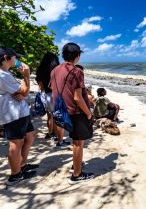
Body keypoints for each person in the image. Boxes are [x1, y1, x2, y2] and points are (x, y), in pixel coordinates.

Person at [0, 46, 38, 185]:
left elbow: (22, 92)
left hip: (20, 112)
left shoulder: (4, 74)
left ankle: (21, 164)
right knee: (15, 143)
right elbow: (24, 91)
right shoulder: (0, 75)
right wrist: (26, 75)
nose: (17, 60)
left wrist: (21, 92)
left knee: (30, 135)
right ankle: (15, 175)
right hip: (13, 114)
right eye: (15, 57)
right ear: (6, 58)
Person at [50, 42, 94, 184]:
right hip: (76, 112)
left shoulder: (55, 70)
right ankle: (77, 174)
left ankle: (76, 165)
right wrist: (88, 113)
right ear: (77, 55)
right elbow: (77, 97)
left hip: (61, 111)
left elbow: (54, 90)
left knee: (75, 141)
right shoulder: (76, 71)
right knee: (78, 143)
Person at [35, 52, 63, 143]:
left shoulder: (40, 69)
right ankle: (56, 135)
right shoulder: (57, 70)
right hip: (55, 94)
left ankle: (50, 133)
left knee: (49, 115)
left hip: (45, 94)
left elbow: (40, 86)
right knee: (57, 116)